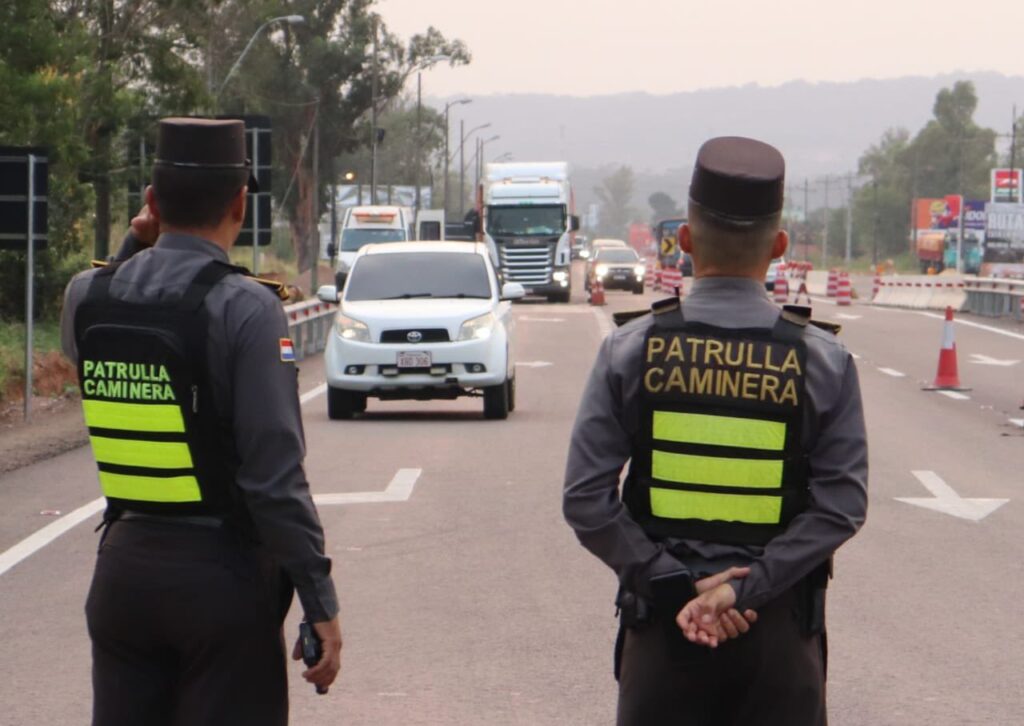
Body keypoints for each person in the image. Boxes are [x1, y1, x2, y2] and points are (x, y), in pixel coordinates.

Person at [563, 136, 868, 726]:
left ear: (683, 240)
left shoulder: (630, 351)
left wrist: (674, 586)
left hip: (662, 634)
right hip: (779, 642)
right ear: (779, 247)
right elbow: (842, 506)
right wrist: (743, 591)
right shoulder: (823, 361)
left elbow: (585, 500)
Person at [60, 117, 342, 726]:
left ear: (152, 203)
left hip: (122, 578)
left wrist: (138, 246)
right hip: (221, 584)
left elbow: (121, 302)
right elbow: (274, 480)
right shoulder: (247, 308)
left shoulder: (84, 297)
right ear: (240, 204)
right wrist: (319, 600)